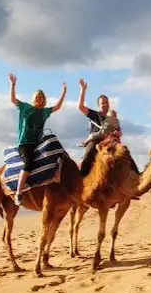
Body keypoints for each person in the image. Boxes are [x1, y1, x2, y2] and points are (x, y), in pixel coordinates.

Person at [9, 72, 67, 206]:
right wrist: (12, 85)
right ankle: (19, 192)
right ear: (33, 98)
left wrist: (63, 92)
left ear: (43, 99)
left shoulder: (44, 112)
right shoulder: (25, 107)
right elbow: (13, 100)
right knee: (29, 162)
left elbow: (57, 107)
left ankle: (54, 179)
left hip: (38, 143)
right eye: (36, 97)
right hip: (25, 143)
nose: (38, 99)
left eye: (41, 97)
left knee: (57, 152)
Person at [77, 78, 111, 176]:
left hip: (109, 143)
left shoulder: (111, 118)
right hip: (95, 141)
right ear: (98, 105)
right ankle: (82, 177)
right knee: (89, 152)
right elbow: (80, 107)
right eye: (102, 103)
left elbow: (117, 129)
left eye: (106, 103)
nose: (105, 105)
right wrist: (83, 89)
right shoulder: (94, 114)